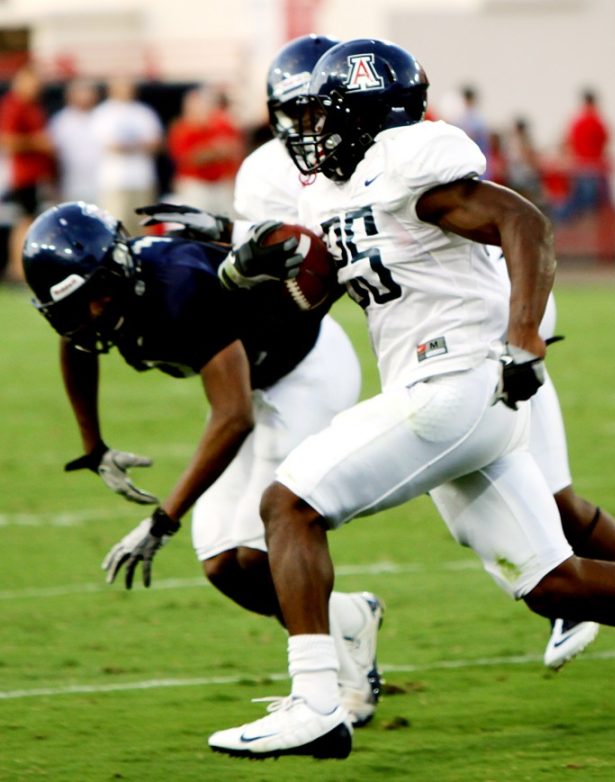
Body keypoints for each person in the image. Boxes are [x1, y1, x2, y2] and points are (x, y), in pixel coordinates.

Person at [203, 38, 615, 760]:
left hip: (456, 383)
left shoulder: (409, 164)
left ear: (366, 117)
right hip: (449, 397)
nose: (307, 132)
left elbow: (524, 223)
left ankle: (315, 703)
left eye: (322, 114)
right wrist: (253, 269)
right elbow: (320, 293)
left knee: (288, 505)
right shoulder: (331, 187)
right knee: (555, 585)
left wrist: (523, 332)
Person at [21, 200, 384, 727]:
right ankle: (352, 616)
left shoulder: (178, 287)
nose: (90, 315)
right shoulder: (101, 294)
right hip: (256, 383)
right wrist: (93, 445)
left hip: (307, 371)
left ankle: (332, 688)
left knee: (259, 552)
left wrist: (163, 519)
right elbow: (76, 344)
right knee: (221, 563)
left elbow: (232, 415)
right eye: (75, 307)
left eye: (94, 299)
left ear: (116, 272)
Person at [0, 65, 54, 283]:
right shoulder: (14, 105)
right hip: (22, 174)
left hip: (35, 174)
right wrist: (37, 143)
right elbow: (7, 140)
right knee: (24, 220)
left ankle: (20, 267)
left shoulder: (34, 106)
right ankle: (17, 269)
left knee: (29, 219)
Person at [91, 77, 163, 234]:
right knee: (116, 227)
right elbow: (110, 145)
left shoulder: (144, 112)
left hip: (141, 180)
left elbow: (156, 143)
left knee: (143, 227)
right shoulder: (103, 113)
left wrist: (129, 145)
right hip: (115, 182)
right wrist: (138, 145)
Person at [167, 87, 243, 216]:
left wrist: (213, 152)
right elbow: (189, 159)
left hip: (221, 184)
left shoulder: (221, 125)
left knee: (227, 223)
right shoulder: (182, 129)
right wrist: (215, 151)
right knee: (198, 225)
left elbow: (235, 149)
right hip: (196, 185)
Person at [555, 90, 610, 223]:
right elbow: (605, 141)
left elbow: (569, 141)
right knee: (593, 203)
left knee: (579, 200)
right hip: (595, 166)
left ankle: (564, 223)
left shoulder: (577, 121)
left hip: (580, 165)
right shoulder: (597, 121)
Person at [48, 80, 102, 203]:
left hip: (102, 183)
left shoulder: (103, 116)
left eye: (88, 93)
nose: (85, 97)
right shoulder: (61, 120)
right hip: (71, 184)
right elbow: (53, 154)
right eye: (81, 93)